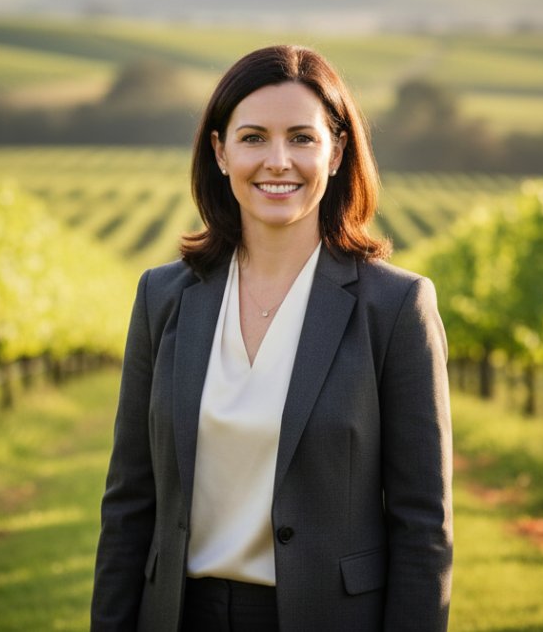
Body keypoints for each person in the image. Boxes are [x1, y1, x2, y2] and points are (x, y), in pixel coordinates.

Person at [92, 45, 452, 631]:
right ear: (220, 151)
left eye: (302, 138)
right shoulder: (163, 297)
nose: (277, 161)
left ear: (337, 152)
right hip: (180, 616)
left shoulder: (395, 307)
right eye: (254, 137)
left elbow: (422, 527)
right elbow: (129, 504)